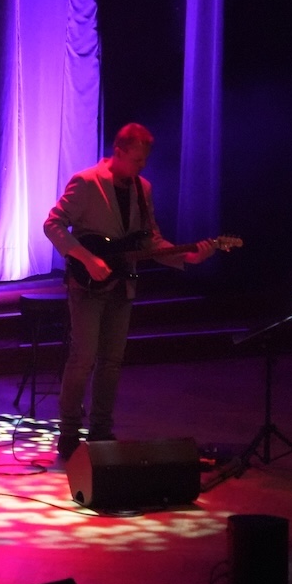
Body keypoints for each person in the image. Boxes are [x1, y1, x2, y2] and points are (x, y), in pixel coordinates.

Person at [43, 123, 215, 461]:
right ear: (118, 151)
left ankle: (101, 430)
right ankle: (69, 432)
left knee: (112, 361)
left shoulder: (142, 188)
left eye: (145, 160)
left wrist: (188, 256)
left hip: (123, 283)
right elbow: (53, 224)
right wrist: (87, 258)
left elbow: (150, 241)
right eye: (136, 159)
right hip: (87, 283)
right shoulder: (86, 182)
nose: (142, 166)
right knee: (83, 358)